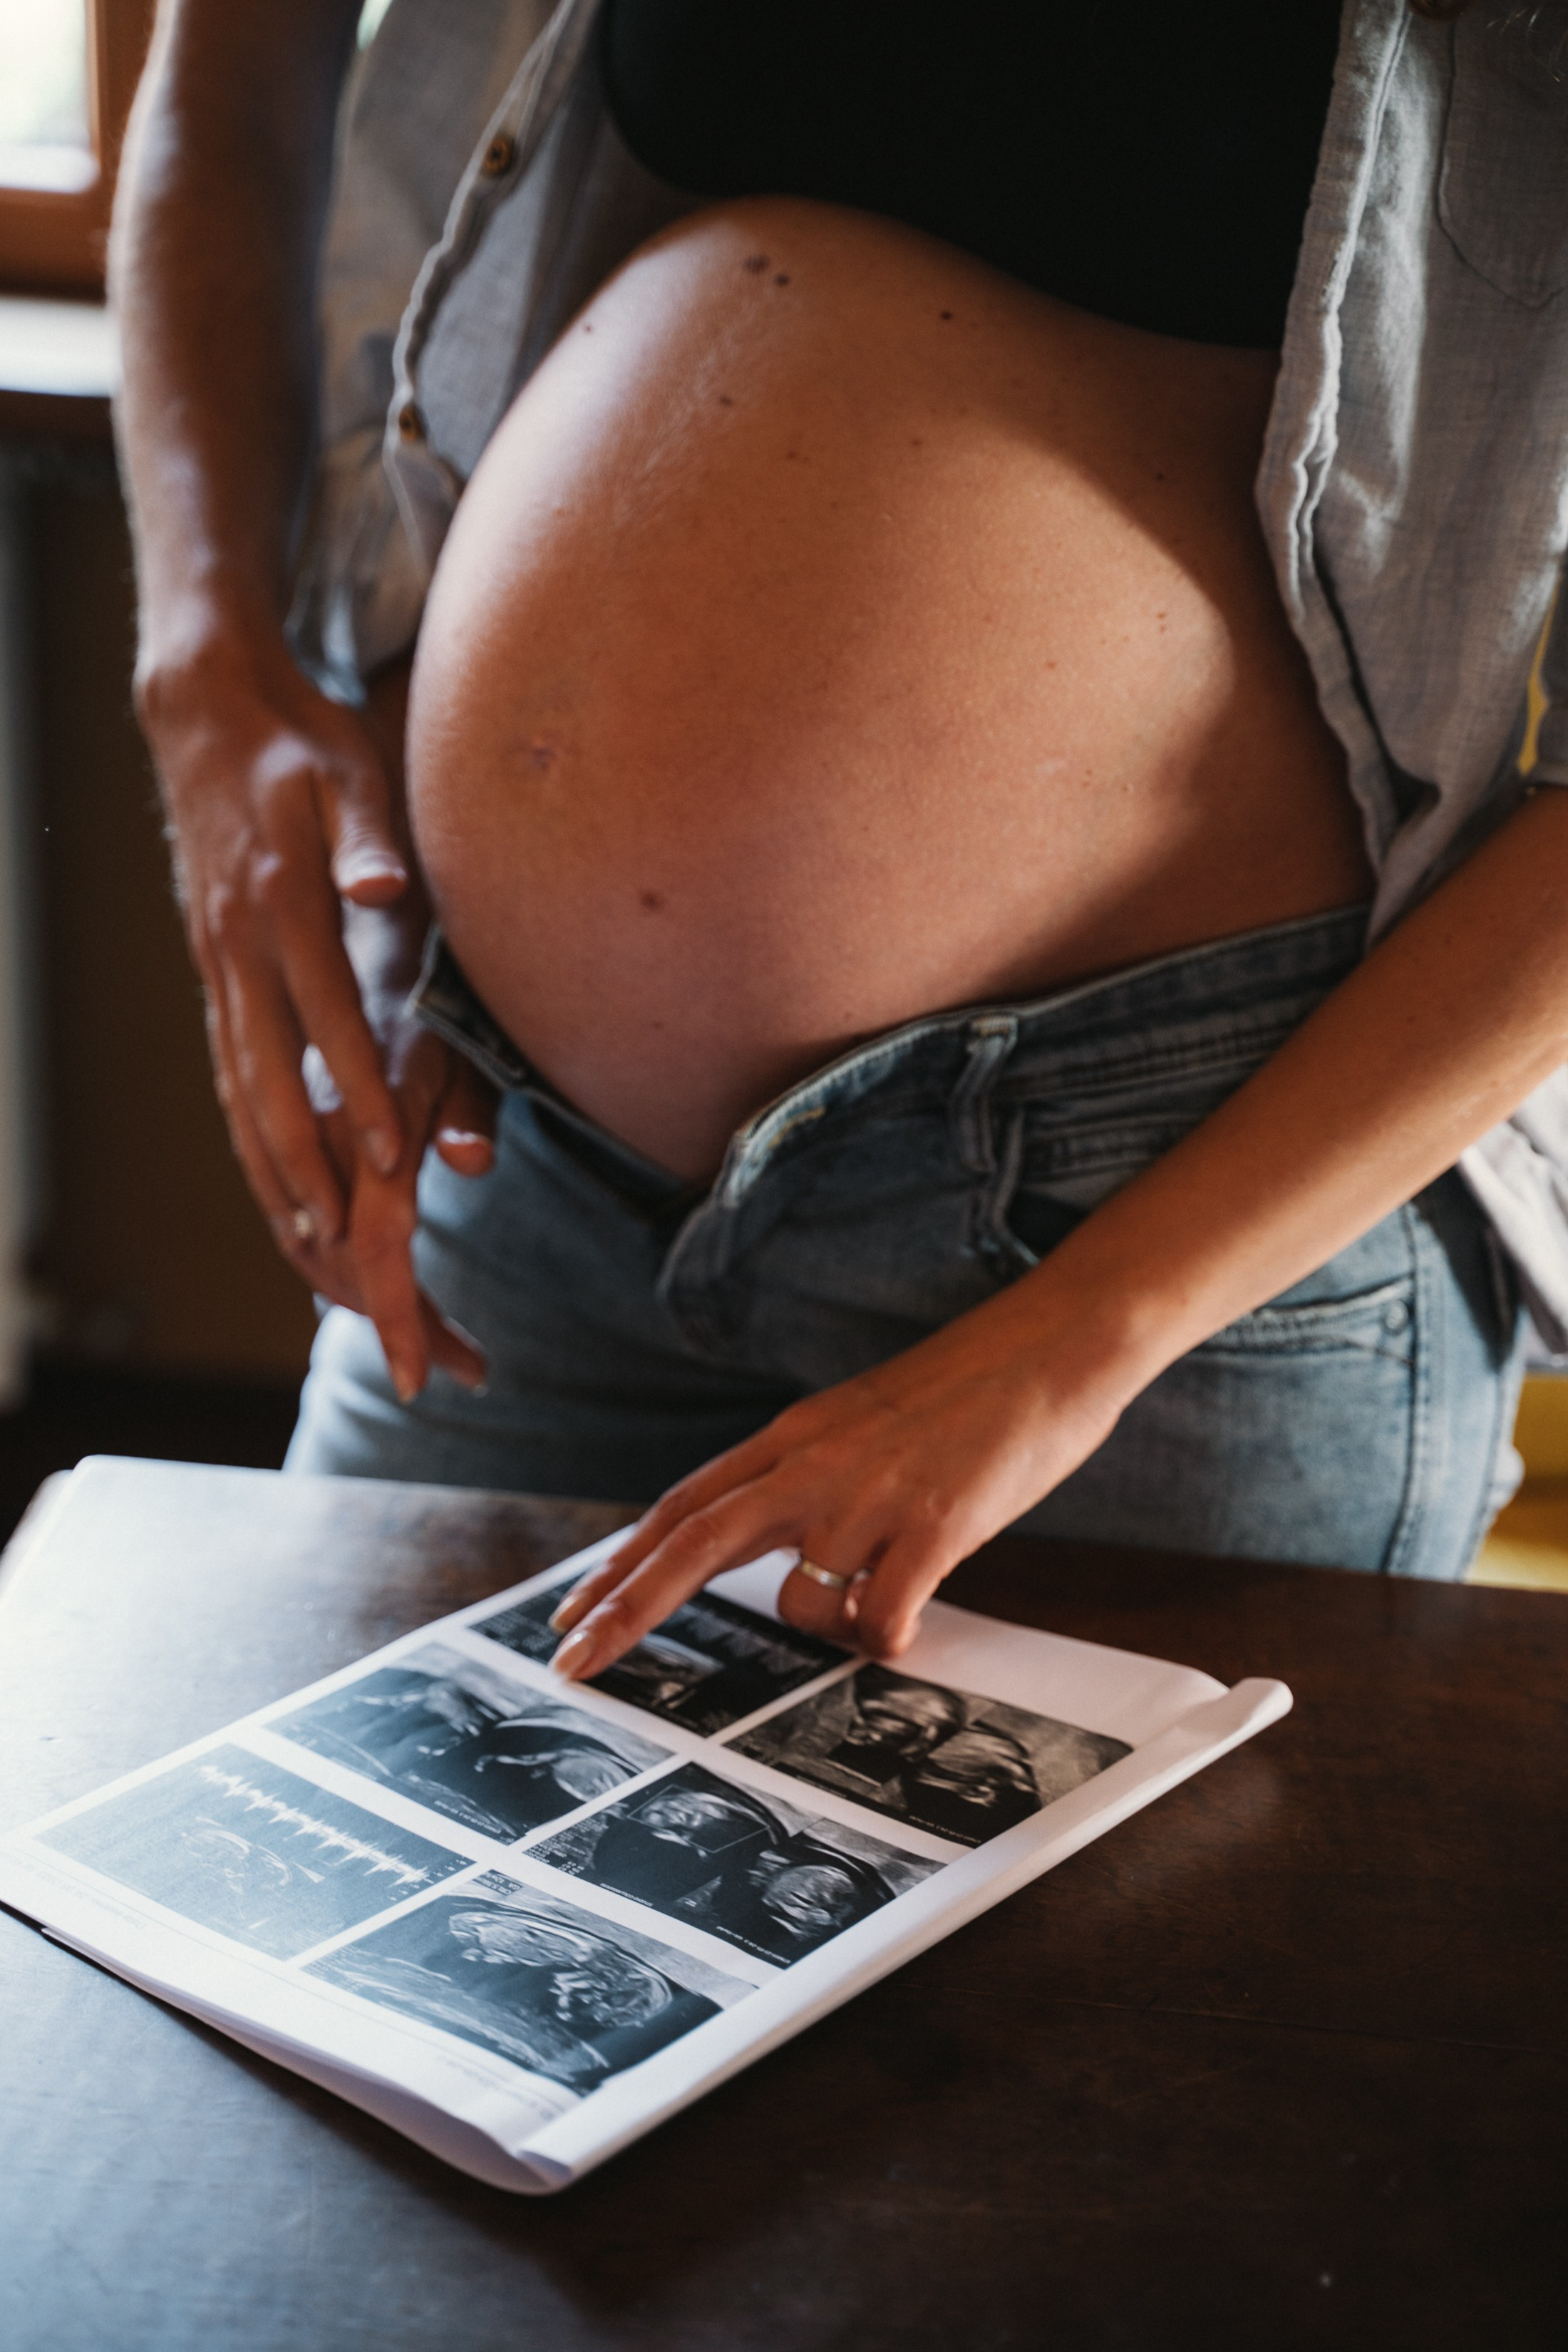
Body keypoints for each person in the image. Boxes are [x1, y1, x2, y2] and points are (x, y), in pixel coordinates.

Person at [116, 3, 1568, 1686]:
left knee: (1098, 1961)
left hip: (1161, 1251)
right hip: (516, 1153)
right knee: (295, 1916)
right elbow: (230, 59)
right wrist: (213, 669)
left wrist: (1069, 1349)